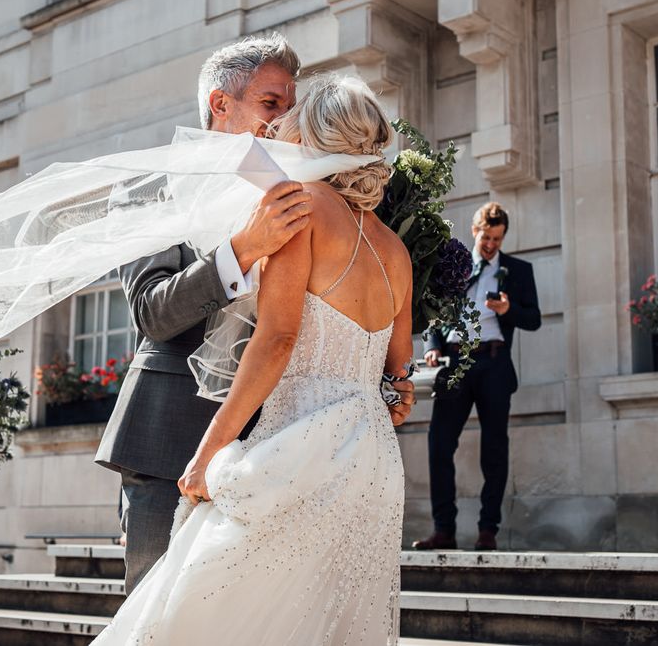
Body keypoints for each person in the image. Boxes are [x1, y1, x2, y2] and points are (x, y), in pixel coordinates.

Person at [89, 75, 414, 645]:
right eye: (272, 104)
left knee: (193, 613)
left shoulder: (299, 204)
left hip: (300, 443)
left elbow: (278, 340)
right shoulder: (397, 248)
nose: (278, 124)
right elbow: (400, 372)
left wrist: (209, 453)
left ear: (314, 132)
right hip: (373, 458)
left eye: (291, 113)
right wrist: (391, 393)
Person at [414, 201, 540, 552]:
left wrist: (508, 309)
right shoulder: (453, 265)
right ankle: (444, 530)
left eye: (497, 240)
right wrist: (433, 345)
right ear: (475, 231)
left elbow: (534, 319)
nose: (491, 245)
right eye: (486, 237)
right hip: (455, 362)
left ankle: (488, 530)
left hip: (494, 363)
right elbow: (431, 312)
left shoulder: (517, 271)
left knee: (494, 449)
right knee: (439, 444)